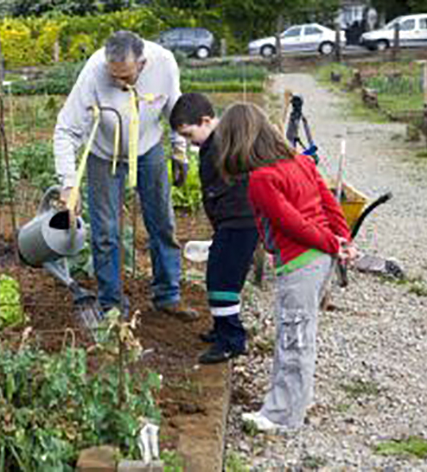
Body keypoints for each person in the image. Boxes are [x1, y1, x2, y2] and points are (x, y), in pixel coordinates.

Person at [213, 102, 357, 431]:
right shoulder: (300, 161)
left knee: (294, 338)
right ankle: (292, 400)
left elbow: (291, 224)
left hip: (301, 262)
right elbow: (328, 204)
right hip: (321, 261)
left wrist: (335, 243)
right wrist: (342, 240)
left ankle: (283, 417)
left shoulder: (261, 179)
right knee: (298, 333)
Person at [53, 30, 197, 320]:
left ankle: (168, 295)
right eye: (113, 75)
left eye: (126, 77)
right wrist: (69, 184)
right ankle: (111, 304)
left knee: (163, 223)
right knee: (105, 232)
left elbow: (176, 110)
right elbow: (66, 130)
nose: (118, 82)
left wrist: (179, 150)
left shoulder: (164, 63)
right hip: (104, 154)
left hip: (148, 146)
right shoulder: (94, 72)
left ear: (142, 64)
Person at [169, 93, 259, 364]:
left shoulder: (223, 144)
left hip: (239, 224)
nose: (188, 141)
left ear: (206, 121)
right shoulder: (216, 143)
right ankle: (223, 329)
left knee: (223, 282)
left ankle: (231, 341)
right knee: (221, 278)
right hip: (230, 224)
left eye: (188, 133)